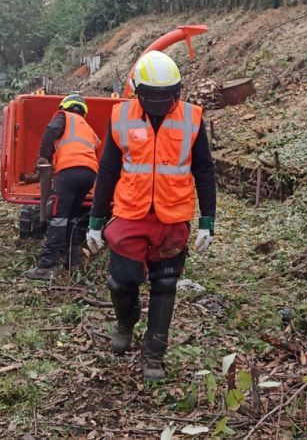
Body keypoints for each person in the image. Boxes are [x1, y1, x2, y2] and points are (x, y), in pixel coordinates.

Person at [86, 50, 216, 383]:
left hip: (173, 217)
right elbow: (108, 170)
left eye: (167, 96)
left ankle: (154, 352)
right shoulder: (120, 117)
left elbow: (203, 169)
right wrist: (96, 221)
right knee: (122, 280)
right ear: (137, 91)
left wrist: (207, 221)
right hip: (130, 213)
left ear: (177, 90)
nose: (160, 102)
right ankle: (125, 321)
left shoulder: (192, 118)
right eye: (152, 96)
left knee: (165, 284)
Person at [24, 94, 100, 280]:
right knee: (71, 217)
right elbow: (95, 146)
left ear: (65, 106)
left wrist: (44, 158)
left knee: (57, 216)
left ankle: (47, 266)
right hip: (89, 174)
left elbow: (51, 131)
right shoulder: (87, 128)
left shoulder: (63, 116)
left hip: (69, 172)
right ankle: (72, 260)